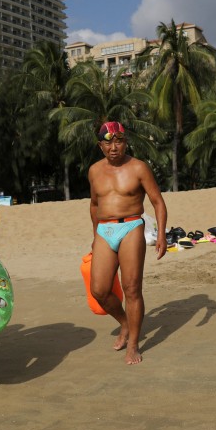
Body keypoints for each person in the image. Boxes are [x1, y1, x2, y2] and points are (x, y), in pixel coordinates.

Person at [88, 121, 167, 364]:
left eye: (119, 141)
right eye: (109, 142)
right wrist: (95, 236)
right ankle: (125, 323)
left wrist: (161, 234)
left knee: (132, 288)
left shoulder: (139, 168)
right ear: (101, 146)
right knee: (99, 290)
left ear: (125, 142)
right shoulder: (94, 171)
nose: (114, 147)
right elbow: (94, 204)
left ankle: (133, 343)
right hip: (104, 230)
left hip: (132, 225)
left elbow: (157, 202)